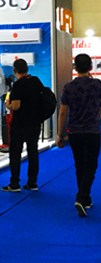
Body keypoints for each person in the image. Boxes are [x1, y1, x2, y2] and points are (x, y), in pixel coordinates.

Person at [56, 53, 101, 217]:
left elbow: (62, 113)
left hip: (74, 132)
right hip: (92, 131)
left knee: (80, 165)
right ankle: (81, 198)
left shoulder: (68, 87)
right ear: (90, 67)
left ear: (75, 68)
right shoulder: (97, 85)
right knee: (91, 166)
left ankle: (86, 198)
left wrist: (59, 134)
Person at [1, 58, 43, 193]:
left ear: (14, 71)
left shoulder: (18, 85)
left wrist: (7, 104)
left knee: (15, 154)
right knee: (33, 152)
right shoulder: (36, 81)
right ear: (27, 69)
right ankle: (32, 182)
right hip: (35, 123)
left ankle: (14, 183)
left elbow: (16, 106)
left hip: (19, 125)